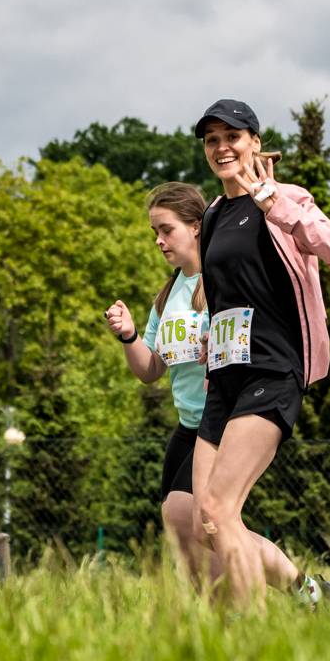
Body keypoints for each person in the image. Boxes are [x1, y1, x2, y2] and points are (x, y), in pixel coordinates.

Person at [190, 98, 330, 607]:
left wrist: (272, 203)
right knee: (208, 523)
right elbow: (226, 297)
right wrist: (207, 346)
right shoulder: (215, 215)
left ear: (255, 143)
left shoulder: (284, 197)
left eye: (232, 137)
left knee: (219, 511)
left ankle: (243, 638)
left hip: (272, 371)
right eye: (212, 140)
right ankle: (317, 597)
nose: (222, 148)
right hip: (224, 379)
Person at [103, 183, 216, 577]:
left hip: (221, 422)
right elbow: (150, 370)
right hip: (187, 424)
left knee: (199, 520)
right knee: (181, 525)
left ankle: (287, 590)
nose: (159, 240)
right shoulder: (168, 296)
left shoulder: (222, 281)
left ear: (196, 226)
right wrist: (129, 335)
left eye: (166, 230)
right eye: (155, 232)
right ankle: (219, 611)